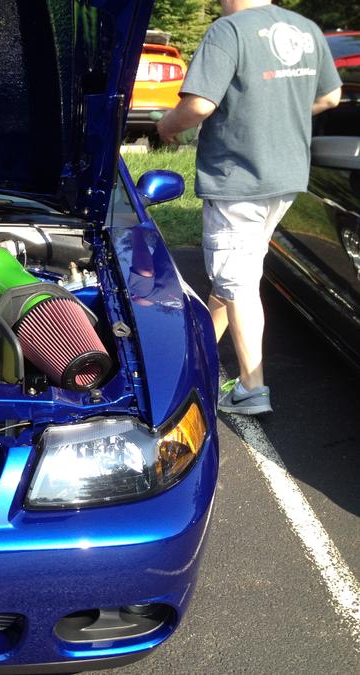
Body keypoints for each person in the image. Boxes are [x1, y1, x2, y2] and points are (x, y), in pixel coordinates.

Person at [156, 0, 341, 415]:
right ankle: (197, 353)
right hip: (285, 177)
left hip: (239, 177)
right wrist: (279, 112)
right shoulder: (305, 28)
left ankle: (251, 389)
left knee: (235, 279)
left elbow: (199, 105)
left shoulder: (229, 31)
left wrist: (166, 126)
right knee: (237, 271)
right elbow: (331, 96)